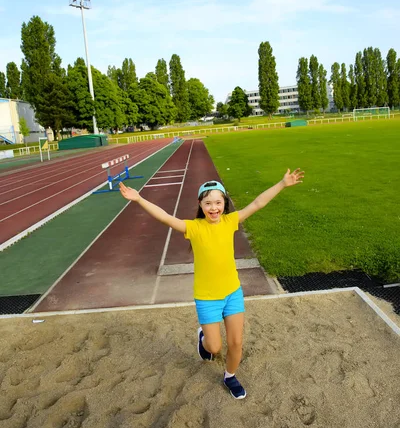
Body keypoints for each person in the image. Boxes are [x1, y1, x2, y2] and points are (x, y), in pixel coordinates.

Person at [119, 168, 304, 400]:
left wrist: (282, 183)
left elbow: (257, 203)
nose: (214, 208)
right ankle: (203, 338)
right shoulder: (194, 228)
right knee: (214, 348)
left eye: (218, 202)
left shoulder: (230, 221)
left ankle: (230, 376)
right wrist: (139, 199)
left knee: (236, 342)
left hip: (232, 293)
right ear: (201, 204)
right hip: (207, 297)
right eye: (208, 203)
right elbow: (165, 217)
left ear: (224, 204)